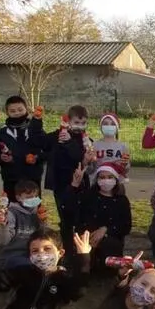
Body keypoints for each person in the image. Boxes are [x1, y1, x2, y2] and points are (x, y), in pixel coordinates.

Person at [44, 105, 96, 257]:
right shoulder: (58, 136)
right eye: (76, 122)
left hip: (80, 183)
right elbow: (42, 142)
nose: (80, 126)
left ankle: (81, 249)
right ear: (68, 121)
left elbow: (79, 157)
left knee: (81, 216)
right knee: (66, 218)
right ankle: (67, 251)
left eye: (83, 123)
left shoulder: (86, 141)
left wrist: (87, 158)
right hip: (61, 184)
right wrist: (37, 121)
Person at [64, 162, 132, 274]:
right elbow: (68, 207)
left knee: (110, 246)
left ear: (116, 179)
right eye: (102, 177)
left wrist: (105, 230)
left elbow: (126, 226)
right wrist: (74, 185)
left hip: (110, 241)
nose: (106, 180)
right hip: (87, 237)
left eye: (110, 177)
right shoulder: (88, 196)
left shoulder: (122, 201)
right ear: (97, 180)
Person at [0, 95, 46, 201]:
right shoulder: (2, 133)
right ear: (7, 113)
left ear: (26, 109)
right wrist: (1, 158)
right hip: (11, 179)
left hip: (32, 179)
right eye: (12, 111)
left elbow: (46, 151)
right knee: (12, 208)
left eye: (20, 110)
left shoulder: (36, 129)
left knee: (33, 208)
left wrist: (36, 158)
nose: (17, 113)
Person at [0, 179, 48, 269]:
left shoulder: (38, 212)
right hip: (13, 254)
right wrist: (3, 226)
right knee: (29, 266)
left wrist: (43, 222)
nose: (33, 200)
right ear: (18, 198)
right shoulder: (11, 213)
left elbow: (43, 236)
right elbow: (3, 241)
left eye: (36, 196)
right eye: (29, 197)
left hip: (33, 253)